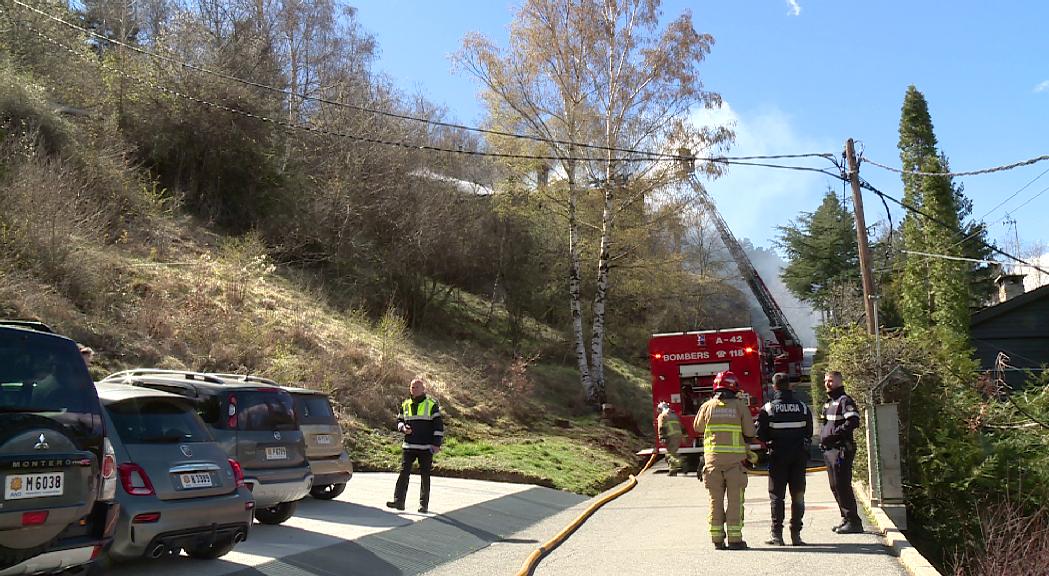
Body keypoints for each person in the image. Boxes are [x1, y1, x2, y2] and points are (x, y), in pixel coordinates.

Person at [694, 371, 757, 550]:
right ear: (734, 387)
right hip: (735, 464)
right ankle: (735, 540)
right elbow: (750, 433)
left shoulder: (707, 406)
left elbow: (697, 427)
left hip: (712, 463)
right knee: (735, 501)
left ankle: (717, 539)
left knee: (715, 501)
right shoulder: (739, 406)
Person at [756, 372, 813, 546]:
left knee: (777, 497)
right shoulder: (802, 407)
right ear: (789, 385)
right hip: (798, 458)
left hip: (777, 457)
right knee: (798, 495)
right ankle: (796, 535)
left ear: (774, 387)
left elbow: (760, 434)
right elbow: (809, 432)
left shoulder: (768, 409)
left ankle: (777, 535)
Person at [387, 377, 444, 514]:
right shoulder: (405, 404)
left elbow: (438, 426)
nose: (414, 389)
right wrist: (403, 429)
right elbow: (399, 421)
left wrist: (436, 444)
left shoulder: (431, 404)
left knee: (425, 475)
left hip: (425, 447)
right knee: (403, 472)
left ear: (423, 389)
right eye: (412, 387)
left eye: (417, 387)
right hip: (409, 446)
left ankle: (423, 504)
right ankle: (399, 501)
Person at [820, 371, 863, 534]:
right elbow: (825, 424)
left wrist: (834, 435)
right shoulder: (829, 402)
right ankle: (845, 518)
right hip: (829, 449)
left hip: (840, 449)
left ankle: (854, 521)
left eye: (830, 381)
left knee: (842, 484)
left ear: (839, 381)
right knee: (834, 486)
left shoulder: (844, 400)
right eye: (825, 381)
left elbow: (853, 421)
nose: (827, 384)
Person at [656, 402, 684, 476]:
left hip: (670, 436)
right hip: (678, 435)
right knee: (672, 453)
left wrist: (662, 437)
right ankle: (673, 471)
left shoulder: (662, 416)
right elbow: (681, 425)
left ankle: (682, 462)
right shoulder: (674, 415)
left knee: (670, 455)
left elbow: (661, 427)